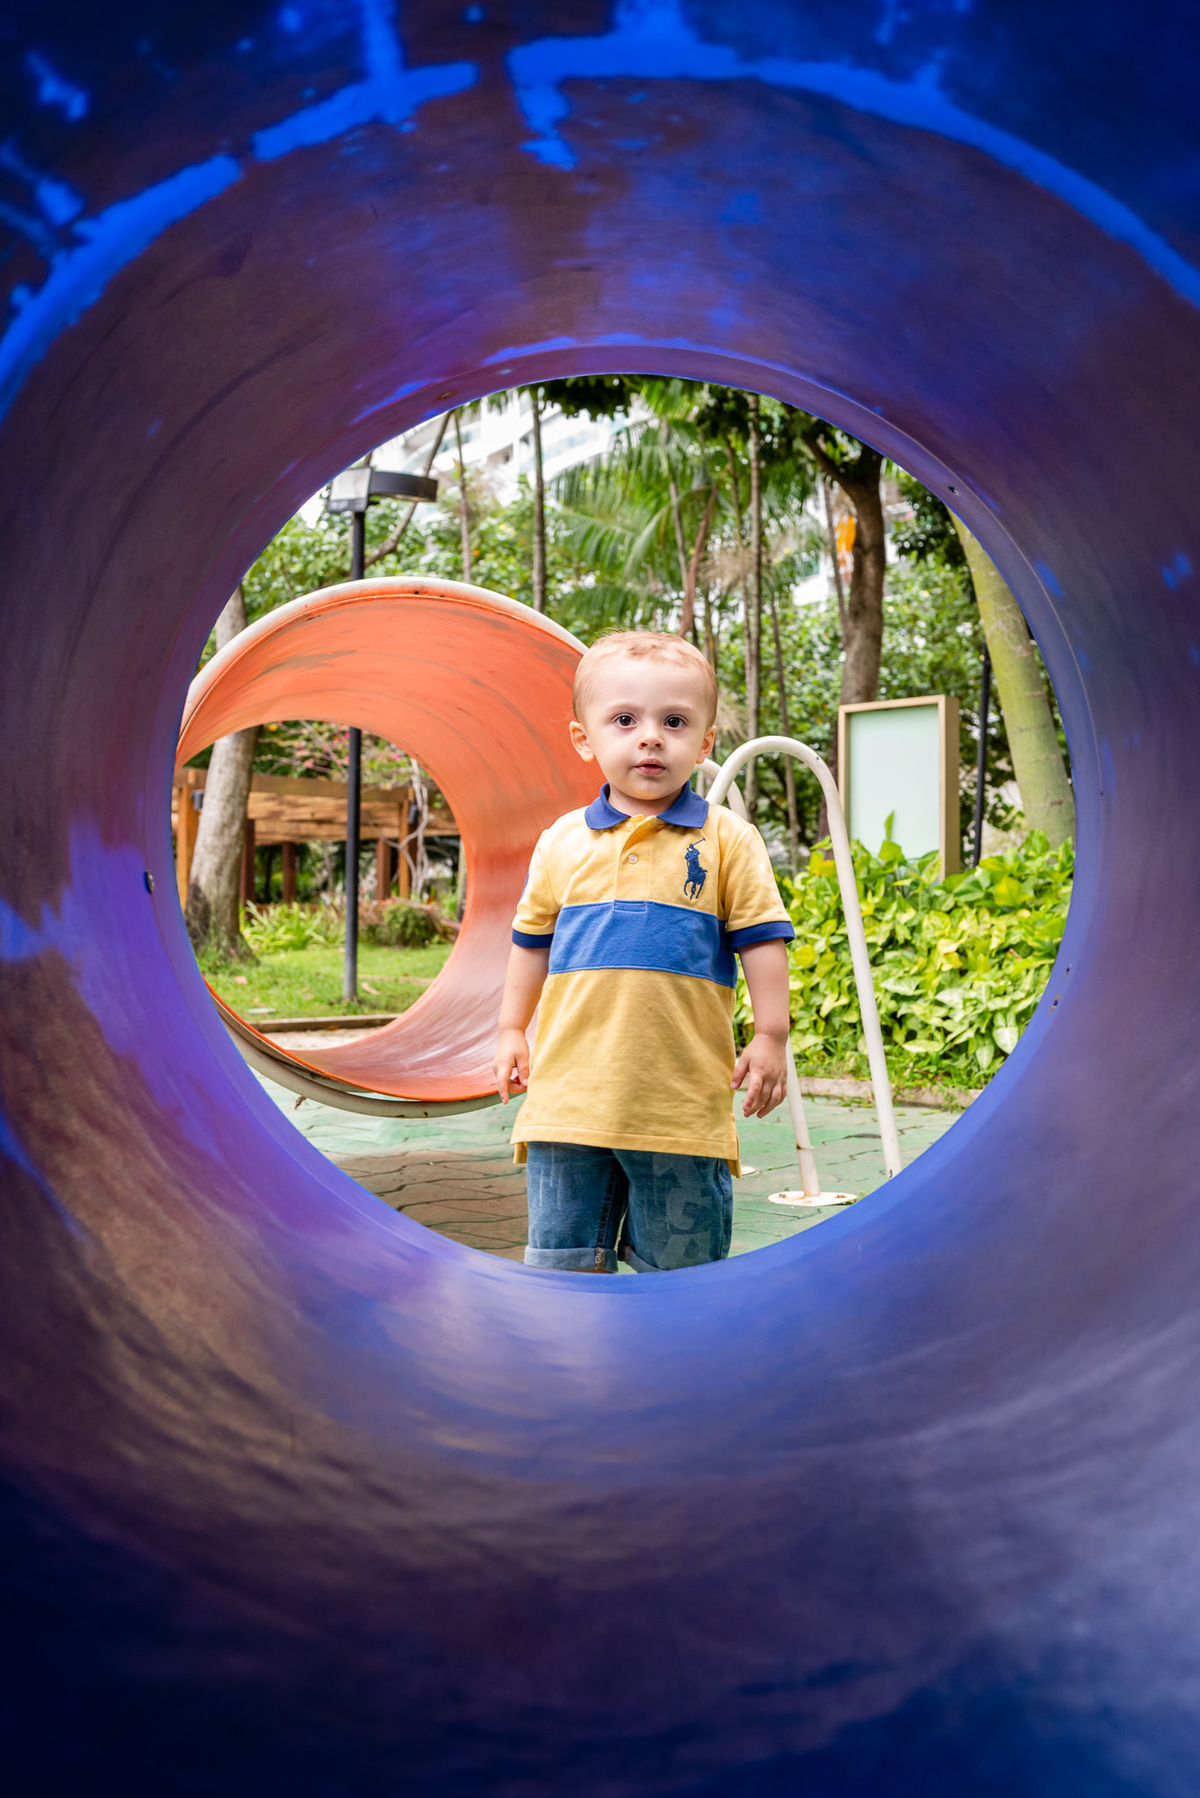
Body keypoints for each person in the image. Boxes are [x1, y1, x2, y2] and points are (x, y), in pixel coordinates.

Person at [493, 630, 795, 1274]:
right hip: (568, 1105)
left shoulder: (727, 840)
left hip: (679, 1108)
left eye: (674, 721)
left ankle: (673, 1373)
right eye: (625, 720)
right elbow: (531, 942)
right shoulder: (561, 842)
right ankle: (578, 1371)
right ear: (585, 738)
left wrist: (771, 1034)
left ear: (705, 742)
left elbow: (763, 938)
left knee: (680, 1274)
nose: (650, 736)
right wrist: (511, 1028)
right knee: (562, 1269)